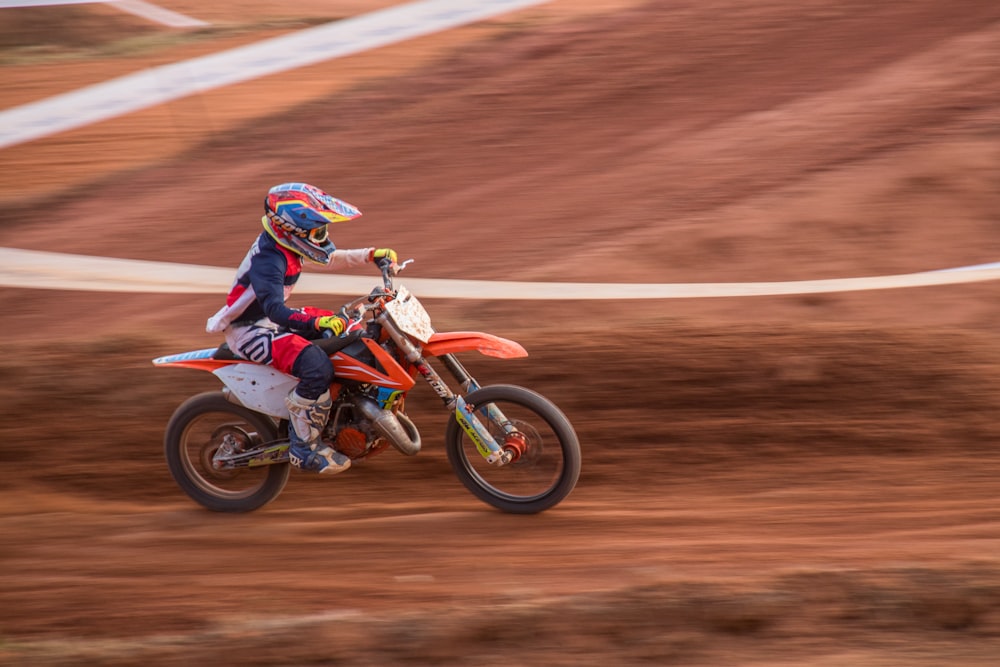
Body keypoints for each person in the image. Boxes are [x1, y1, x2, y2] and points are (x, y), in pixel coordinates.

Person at [206, 182, 397, 475]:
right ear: (290, 230)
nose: (322, 237)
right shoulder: (269, 260)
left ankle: (343, 410)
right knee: (315, 365)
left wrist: (371, 255)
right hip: (251, 331)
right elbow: (274, 310)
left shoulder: (287, 244)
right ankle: (303, 447)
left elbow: (329, 258)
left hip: (270, 321)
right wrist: (316, 323)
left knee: (348, 325)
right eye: (317, 231)